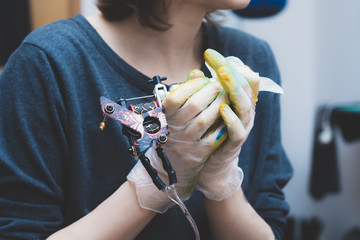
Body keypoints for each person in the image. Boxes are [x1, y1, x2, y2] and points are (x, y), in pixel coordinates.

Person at [0, 0, 293, 239]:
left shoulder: (250, 60)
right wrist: (160, 176)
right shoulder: (48, 62)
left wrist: (221, 182)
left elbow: (270, 225)